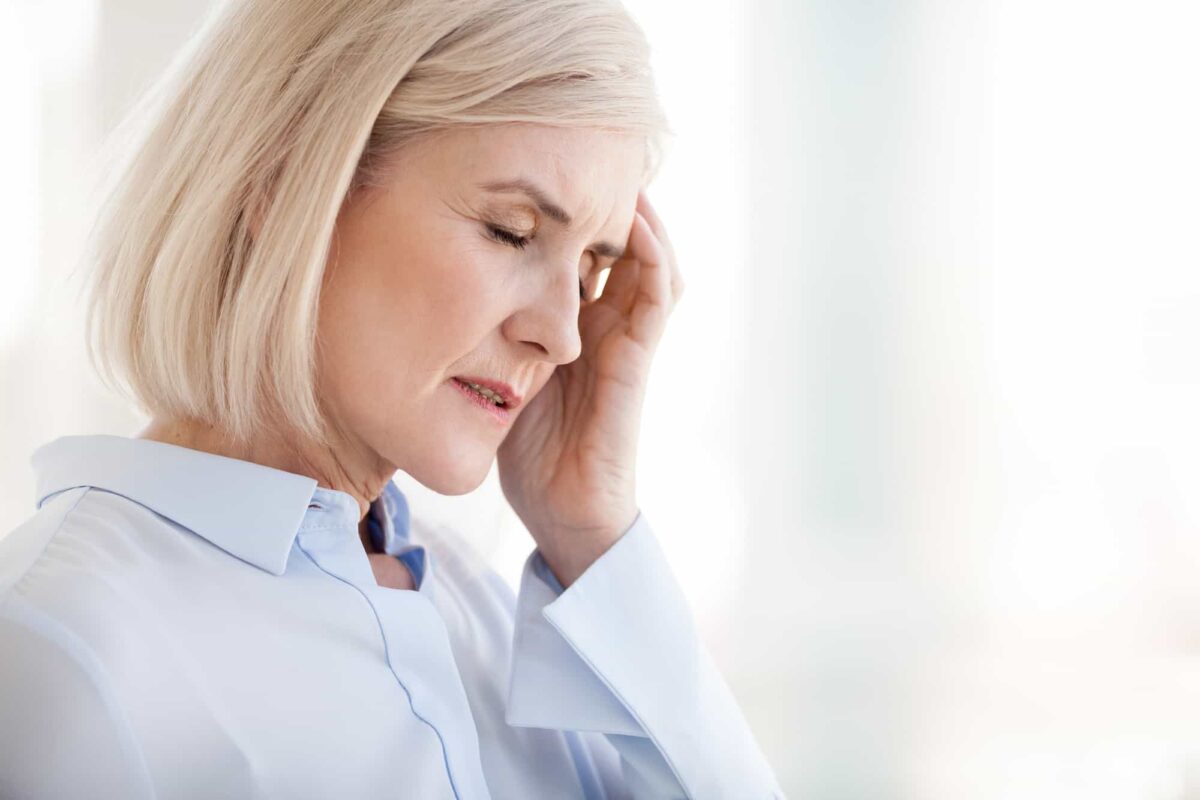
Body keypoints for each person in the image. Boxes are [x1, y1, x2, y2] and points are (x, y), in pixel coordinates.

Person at [0, 0, 784, 797]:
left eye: (589, 272)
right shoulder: (60, 650)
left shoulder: (484, 621)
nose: (566, 335)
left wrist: (594, 529)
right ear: (286, 181)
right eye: (511, 231)